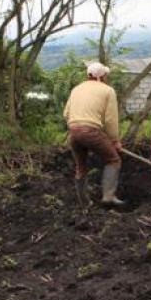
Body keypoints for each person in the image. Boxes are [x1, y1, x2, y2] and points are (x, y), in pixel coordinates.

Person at [64, 61, 124, 206]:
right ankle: (108, 196)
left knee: (81, 167)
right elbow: (111, 120)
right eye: (105, 75)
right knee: (113, 160)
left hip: (73, 132)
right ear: (102, 76)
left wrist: (79, 128)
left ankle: (84, 203)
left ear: (88, 75)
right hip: (89, 131)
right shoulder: (107, 90)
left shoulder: (76, 89)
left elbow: (66, 113)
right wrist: (114, 140)